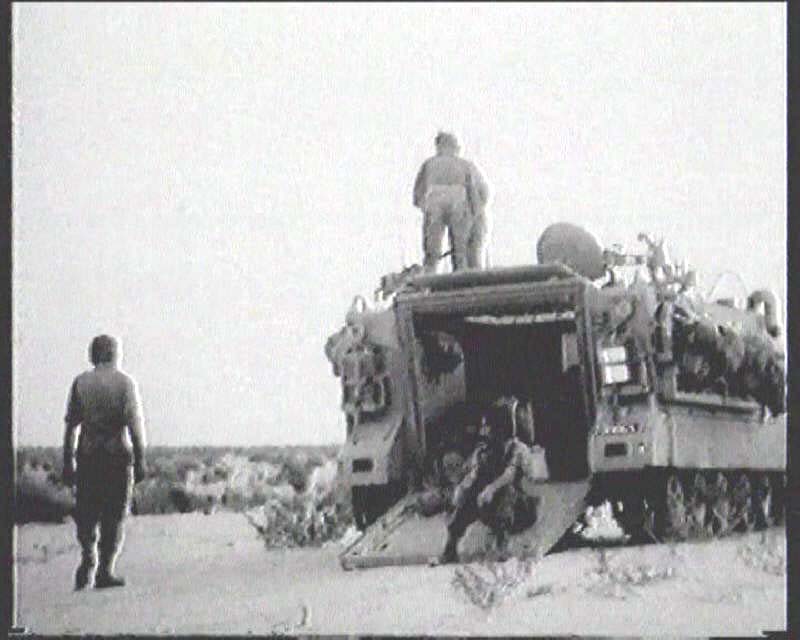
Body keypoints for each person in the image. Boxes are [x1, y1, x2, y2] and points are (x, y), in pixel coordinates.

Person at [62, 335, 147, 590]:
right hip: (116, 456)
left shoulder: (81, 382)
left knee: (87, 513)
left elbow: (71, 427)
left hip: (88, 456)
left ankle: (88, 554)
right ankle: (105, 569)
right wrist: (141, 459)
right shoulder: (125, 383)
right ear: (114, 354)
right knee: (115, 515)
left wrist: (67, 461)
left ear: (93, 355)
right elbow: (135, 425)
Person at [438, 397, 537, 564]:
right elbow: (474, 474)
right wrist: (462, 489)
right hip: (488, 500)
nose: (483, 431)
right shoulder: (484, 451)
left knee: (507, 493)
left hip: (519, 506)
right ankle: (450, 549)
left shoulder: (517, 448)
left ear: (500, 427)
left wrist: (490, 489)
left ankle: (502, 547)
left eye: (488, 426)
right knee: (466, 501)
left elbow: (510, 474)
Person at [412, 132, 490, 273]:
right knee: (460, 249)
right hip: (458, 201)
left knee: (432, 251)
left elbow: (417, 194)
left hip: (433, 201)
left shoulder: (428, 164)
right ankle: (460, 274)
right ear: (454, 146)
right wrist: (476, 212)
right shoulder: (466, 165)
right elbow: (482, 192)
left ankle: (430, 274)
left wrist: (424, 206)